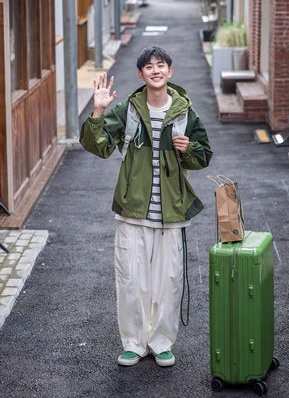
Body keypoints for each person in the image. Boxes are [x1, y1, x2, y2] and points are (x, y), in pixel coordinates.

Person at [80, 46, 212, 367]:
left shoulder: (184, 112)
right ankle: (134, 343)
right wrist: (97, 112)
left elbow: (203, 155)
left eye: (161, 65)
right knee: (130, 279)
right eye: (149, 67)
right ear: (141, 75)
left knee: (168, 280)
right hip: (132, 210)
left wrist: (188, 148)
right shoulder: (128, 109)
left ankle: (162, 342)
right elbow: (97, 147)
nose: (155, 70)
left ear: (170, 71)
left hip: (172, 212)